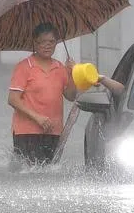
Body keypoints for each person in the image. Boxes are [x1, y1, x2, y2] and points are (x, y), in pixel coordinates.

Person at [7, 23, 124, 166]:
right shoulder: (24, 67)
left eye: (51, 42)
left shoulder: (60, 68)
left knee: (47, 173)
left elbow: (70, 95)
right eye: (42, 42)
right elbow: (13, 100)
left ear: (56, 42)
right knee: (29, 173)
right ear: (34, 43)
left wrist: (71, 74)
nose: (47, 45)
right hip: (26, 131)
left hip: (53, 131)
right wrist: (38, 118)